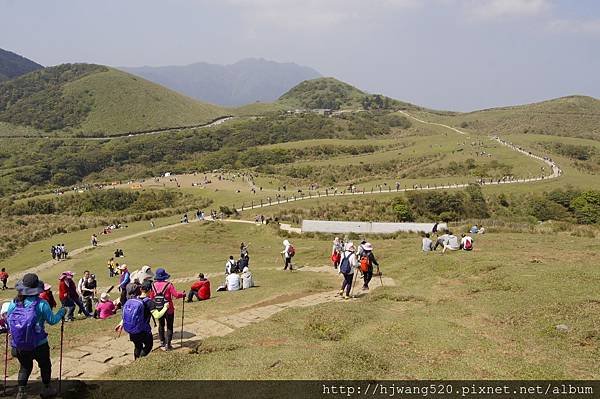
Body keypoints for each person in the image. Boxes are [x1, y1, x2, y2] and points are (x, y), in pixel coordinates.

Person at [7, 273, 66, 399]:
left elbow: (8, 320)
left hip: (19, 345)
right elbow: (52, 320)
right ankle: (47, 388)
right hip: (39, 344)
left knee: (25, 367)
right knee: (45, 365)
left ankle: (21, 392)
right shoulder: (42, 304)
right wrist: (62, 312)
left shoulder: (14, 303)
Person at [117, 281, 168, 359]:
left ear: (141, 289)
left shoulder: (134, 299)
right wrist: (165, 307)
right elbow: (157, 315)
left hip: (133, 330)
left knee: (137, 346)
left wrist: (121, 323)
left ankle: (136, 360)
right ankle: (139, 361)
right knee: (148, 346)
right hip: (144, 331)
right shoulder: (149, 302)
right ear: (150, 290)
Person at [148, 268, 185, 351]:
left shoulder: (153, 285)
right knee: (169, 326)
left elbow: (151, 297)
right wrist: (182, 294)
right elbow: (175, 294)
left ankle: (162, 341)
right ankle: (168, 344)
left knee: (161, 325)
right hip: (169, 309)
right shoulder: (169, 285)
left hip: (158, 308)